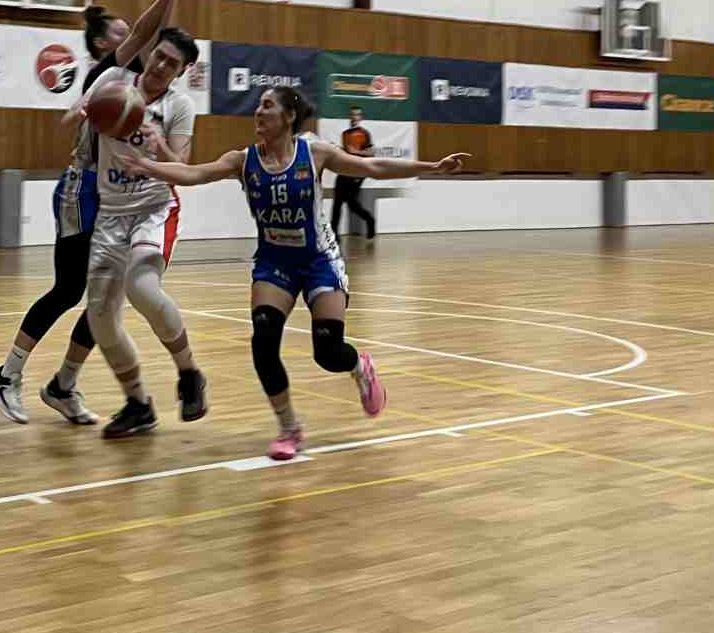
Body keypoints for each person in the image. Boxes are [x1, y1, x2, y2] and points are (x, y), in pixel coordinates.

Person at [131, 86, 469, 459]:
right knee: (263, 343)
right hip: (275, 263)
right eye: (258, 105)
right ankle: (289, 427)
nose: (258, 112)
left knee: (328, 352)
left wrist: (432, 167)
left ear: (289, 116)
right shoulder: (243, 160)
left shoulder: (315, 153)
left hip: (319, 260)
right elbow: (194, 173)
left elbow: (373, 167)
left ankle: (359, 367)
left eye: (267, 106)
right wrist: (148, 167)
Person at [0, 0, 196, 425]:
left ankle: (64, 385)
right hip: (83, 189)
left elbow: (159, 38)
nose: (134, 35)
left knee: (106, 298)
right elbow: (147, 33)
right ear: (104, 45)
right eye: (121, 32)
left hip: (116, 198)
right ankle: (5, 375)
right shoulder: (107, 74)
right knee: (68, 290)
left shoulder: (150, 86)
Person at [71, 15, 210, 439]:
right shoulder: (116, 84)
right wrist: (82, 112)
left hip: (154, 208)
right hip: (111, 213)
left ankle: (189, 373)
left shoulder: (179, 107)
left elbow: (181, 167)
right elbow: (85, 113)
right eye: (160, 56)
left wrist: (156, 145)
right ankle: (138, 404)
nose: (161, 66)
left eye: (172, 64)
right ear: (150, 53)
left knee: (142, 287)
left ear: (182, 71)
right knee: (100, 317)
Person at [330, 106, 377, 239]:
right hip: (344, 171)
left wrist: (356, 152)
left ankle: (370, 220)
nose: (354, 117)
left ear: (360, 118)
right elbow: (347, 153)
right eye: (352, 114)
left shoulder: (364, 133)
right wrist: (338, 150)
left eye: (357, 115)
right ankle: (334, 234)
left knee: (352, 205)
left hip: (357, 173)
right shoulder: (345, 134)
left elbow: (371, 153)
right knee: (337, 203)